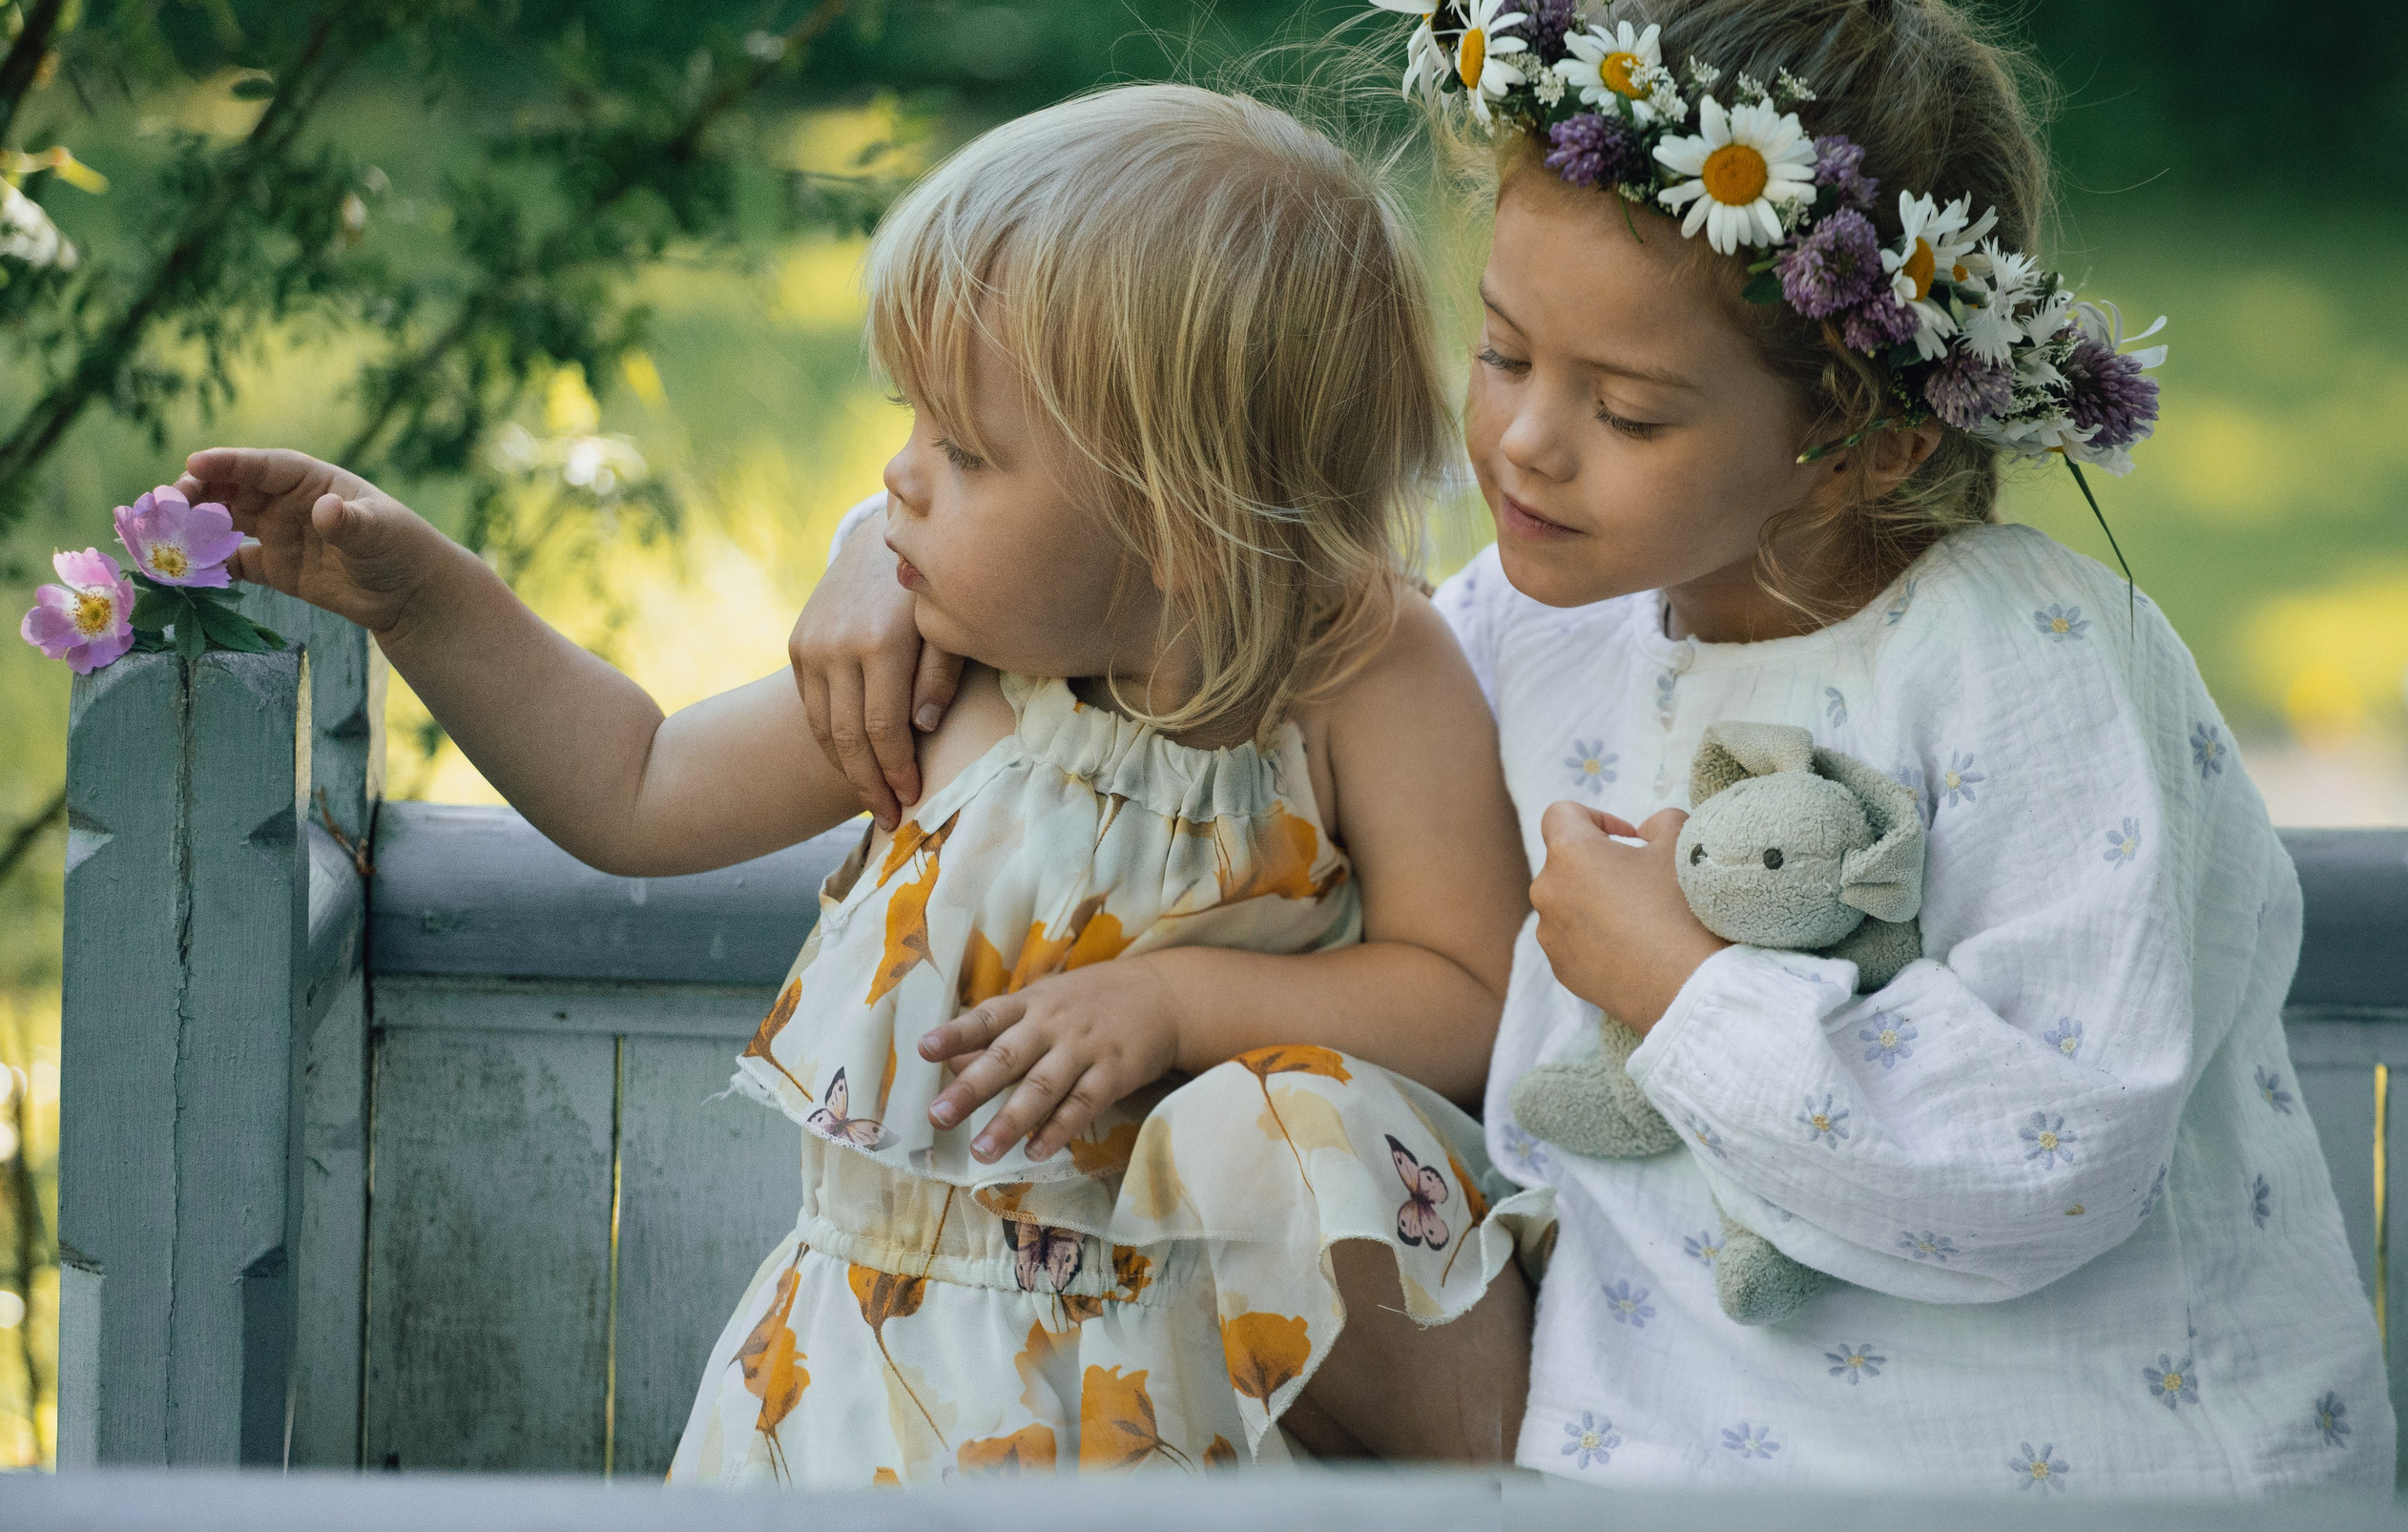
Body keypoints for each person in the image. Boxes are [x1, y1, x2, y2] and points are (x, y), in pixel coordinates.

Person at [804, 0, 2394, 1495]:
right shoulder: (1528, 625)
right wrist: (887, 551)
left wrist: (1687, 992)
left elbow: (2059, 1148)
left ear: (1868, 440)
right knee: (1266, 1133)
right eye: (1501, 355)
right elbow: (1197, 601)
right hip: (1650, 1459)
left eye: (1627, 411)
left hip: (2069, 1474)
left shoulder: (2032, 663)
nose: (1522, 441)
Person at [176, 83, 1544, 1485]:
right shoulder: (951, 672)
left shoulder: (1365, 675)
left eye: (964, 451)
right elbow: (634, 786)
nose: (896, 477)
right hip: (861, 1398)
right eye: (915, 422)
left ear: (1180, 517)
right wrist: (424, 599)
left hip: (1175, 1414)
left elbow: (1473, 993)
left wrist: (1179, 999)